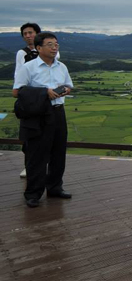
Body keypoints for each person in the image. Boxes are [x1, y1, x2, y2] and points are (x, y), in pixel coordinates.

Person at [12, 32, 73, 208]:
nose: (55, 47)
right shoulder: (28, 67)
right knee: (37, 155)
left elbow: (69, 85)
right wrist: (44, 92)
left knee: (58, 152)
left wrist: (65, 90)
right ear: (39, 48)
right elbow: (17, 91)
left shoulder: (62, 66)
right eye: (50, 44)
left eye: (56, 44)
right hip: (38, 116)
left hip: (58, 112)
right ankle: (33, 193)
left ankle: (55, 187)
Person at [14, 23, 60, 178]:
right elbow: (18, 75)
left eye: (31, 33)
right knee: (31, 139)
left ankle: (47, 175)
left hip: (50, 103)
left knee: (52, 141)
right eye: (25, 34)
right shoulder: (22, 53)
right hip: (31, 101)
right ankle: (29, 168)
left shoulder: (53, 53)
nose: (28, 36)